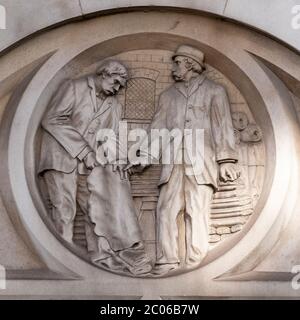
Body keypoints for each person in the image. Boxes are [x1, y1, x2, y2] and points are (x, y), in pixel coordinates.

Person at [127, 45, 240, 275]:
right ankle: (166, 261)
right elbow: (157, 128)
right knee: (166, 211)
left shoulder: (214, 91)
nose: (173, 67)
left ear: (190, 64)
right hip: (173, 165)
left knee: (197, 212)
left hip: (201, 164)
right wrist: (145, 157)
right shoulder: (167, 96)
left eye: (177, 62)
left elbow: (223, 127)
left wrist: (226, 160)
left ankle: (196, 263)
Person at [39, 60, 152, 275]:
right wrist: (84, 152)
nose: (117, 88)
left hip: (91, 166)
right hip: (62, 160)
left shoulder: (114, 105)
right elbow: (52, 119)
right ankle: (64, 264)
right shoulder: (74, 87)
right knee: (64, 210)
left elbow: (113, 137)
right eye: (116, 82)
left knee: (96, 210)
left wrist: (121, 160)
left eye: (120, 85)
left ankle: (102, 260)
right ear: (104, 74)